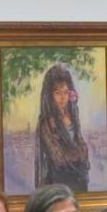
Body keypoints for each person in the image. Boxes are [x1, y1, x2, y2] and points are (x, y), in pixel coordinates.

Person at [34, 64, 91, 192]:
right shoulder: (46, 122)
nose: (62, 97)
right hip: (59, 181)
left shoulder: (73, 116)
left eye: (66, 92)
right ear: (50, 95)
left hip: (79, 179)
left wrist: (80, 154)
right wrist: (78, 155)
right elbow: (57, 157)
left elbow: (82, 144)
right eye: (57, 93)